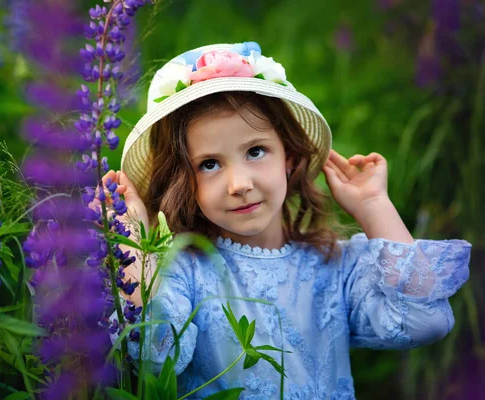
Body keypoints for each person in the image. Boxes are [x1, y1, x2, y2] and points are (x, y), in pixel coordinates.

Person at [103, 42, 472, 399]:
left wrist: (374, 205)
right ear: (181, 180)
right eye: (209, 164)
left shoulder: (334, 266)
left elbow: (424, 322)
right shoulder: (185, 270)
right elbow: (157, 354)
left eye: (255, 151)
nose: (240, 185)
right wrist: (133, 244)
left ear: (290, 157)